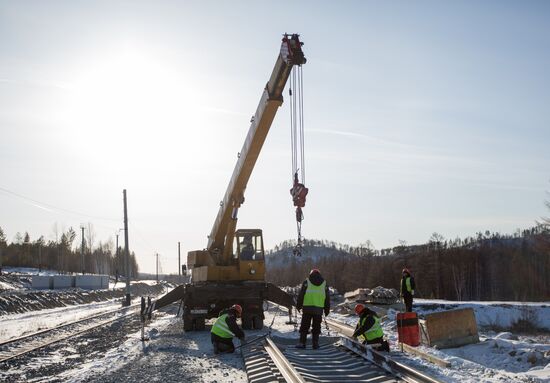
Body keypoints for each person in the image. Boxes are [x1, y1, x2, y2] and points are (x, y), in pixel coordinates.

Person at [296, 268, 330, 349]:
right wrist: (327, 309)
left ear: (311, 274)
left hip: (307, 308)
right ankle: (315, 344)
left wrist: (298, 305)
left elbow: (301, 295)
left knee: (304, 326)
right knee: (316, 327)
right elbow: (327, 298)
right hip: (319, 310)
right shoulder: (324, 284)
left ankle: (302, 343)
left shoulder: (306, 282)